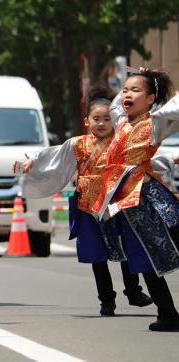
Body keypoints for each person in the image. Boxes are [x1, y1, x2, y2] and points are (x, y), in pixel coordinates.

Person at [19, 86, 152, 316]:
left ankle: (133, 291)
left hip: (116, 204)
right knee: (97, 255)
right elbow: (54, 157)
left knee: (126, 249)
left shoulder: (121, 141)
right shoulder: (77, 144)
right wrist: (34, 161)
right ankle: (106, 301)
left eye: (107, 119)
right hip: (88, 206)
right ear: (87, 121)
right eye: (96, 119)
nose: (101, 123)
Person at [94, 67, 179, 331]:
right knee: (143, 259)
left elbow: (174, 106)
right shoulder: (121, 125)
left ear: (151, 99)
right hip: (128, 206)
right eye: (126, 89)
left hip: (151, 199)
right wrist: (131, 86)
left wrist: (157, 79)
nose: (127, 94)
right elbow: (118, 104)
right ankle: (167, 313)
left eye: (136, 90)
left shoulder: (153, 123)